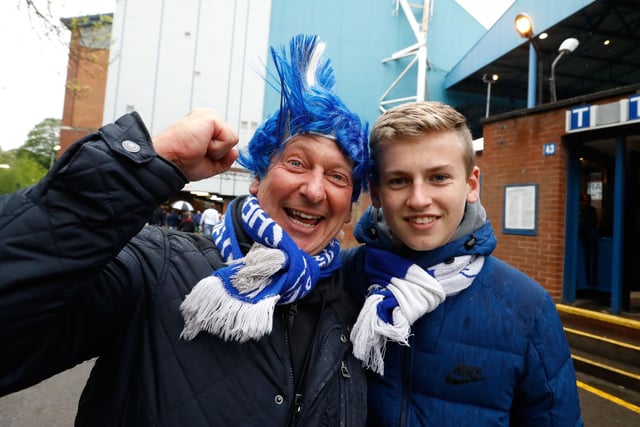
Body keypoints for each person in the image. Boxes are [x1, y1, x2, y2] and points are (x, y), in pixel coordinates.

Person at [0, 34, 369, 426]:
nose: (313, 190)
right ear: (257, 179)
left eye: (337, 177)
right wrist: (149, 163)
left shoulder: (359, 307)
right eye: (295, 163)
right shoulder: (156, 265)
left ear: (349, 209)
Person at [341, 101, 583, 426]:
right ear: (377, 192)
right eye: (399, 180)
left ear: (471, 185)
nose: (418, 199)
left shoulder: (527, 308)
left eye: (438, 177)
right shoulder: (341, 280)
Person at [579, 192, 598, 285]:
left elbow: (592, 223)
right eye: (583, 200)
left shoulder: (591, 210)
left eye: (586, 200)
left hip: (588, 239)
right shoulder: (576, 210)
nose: (584, 202)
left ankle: (588, 282)